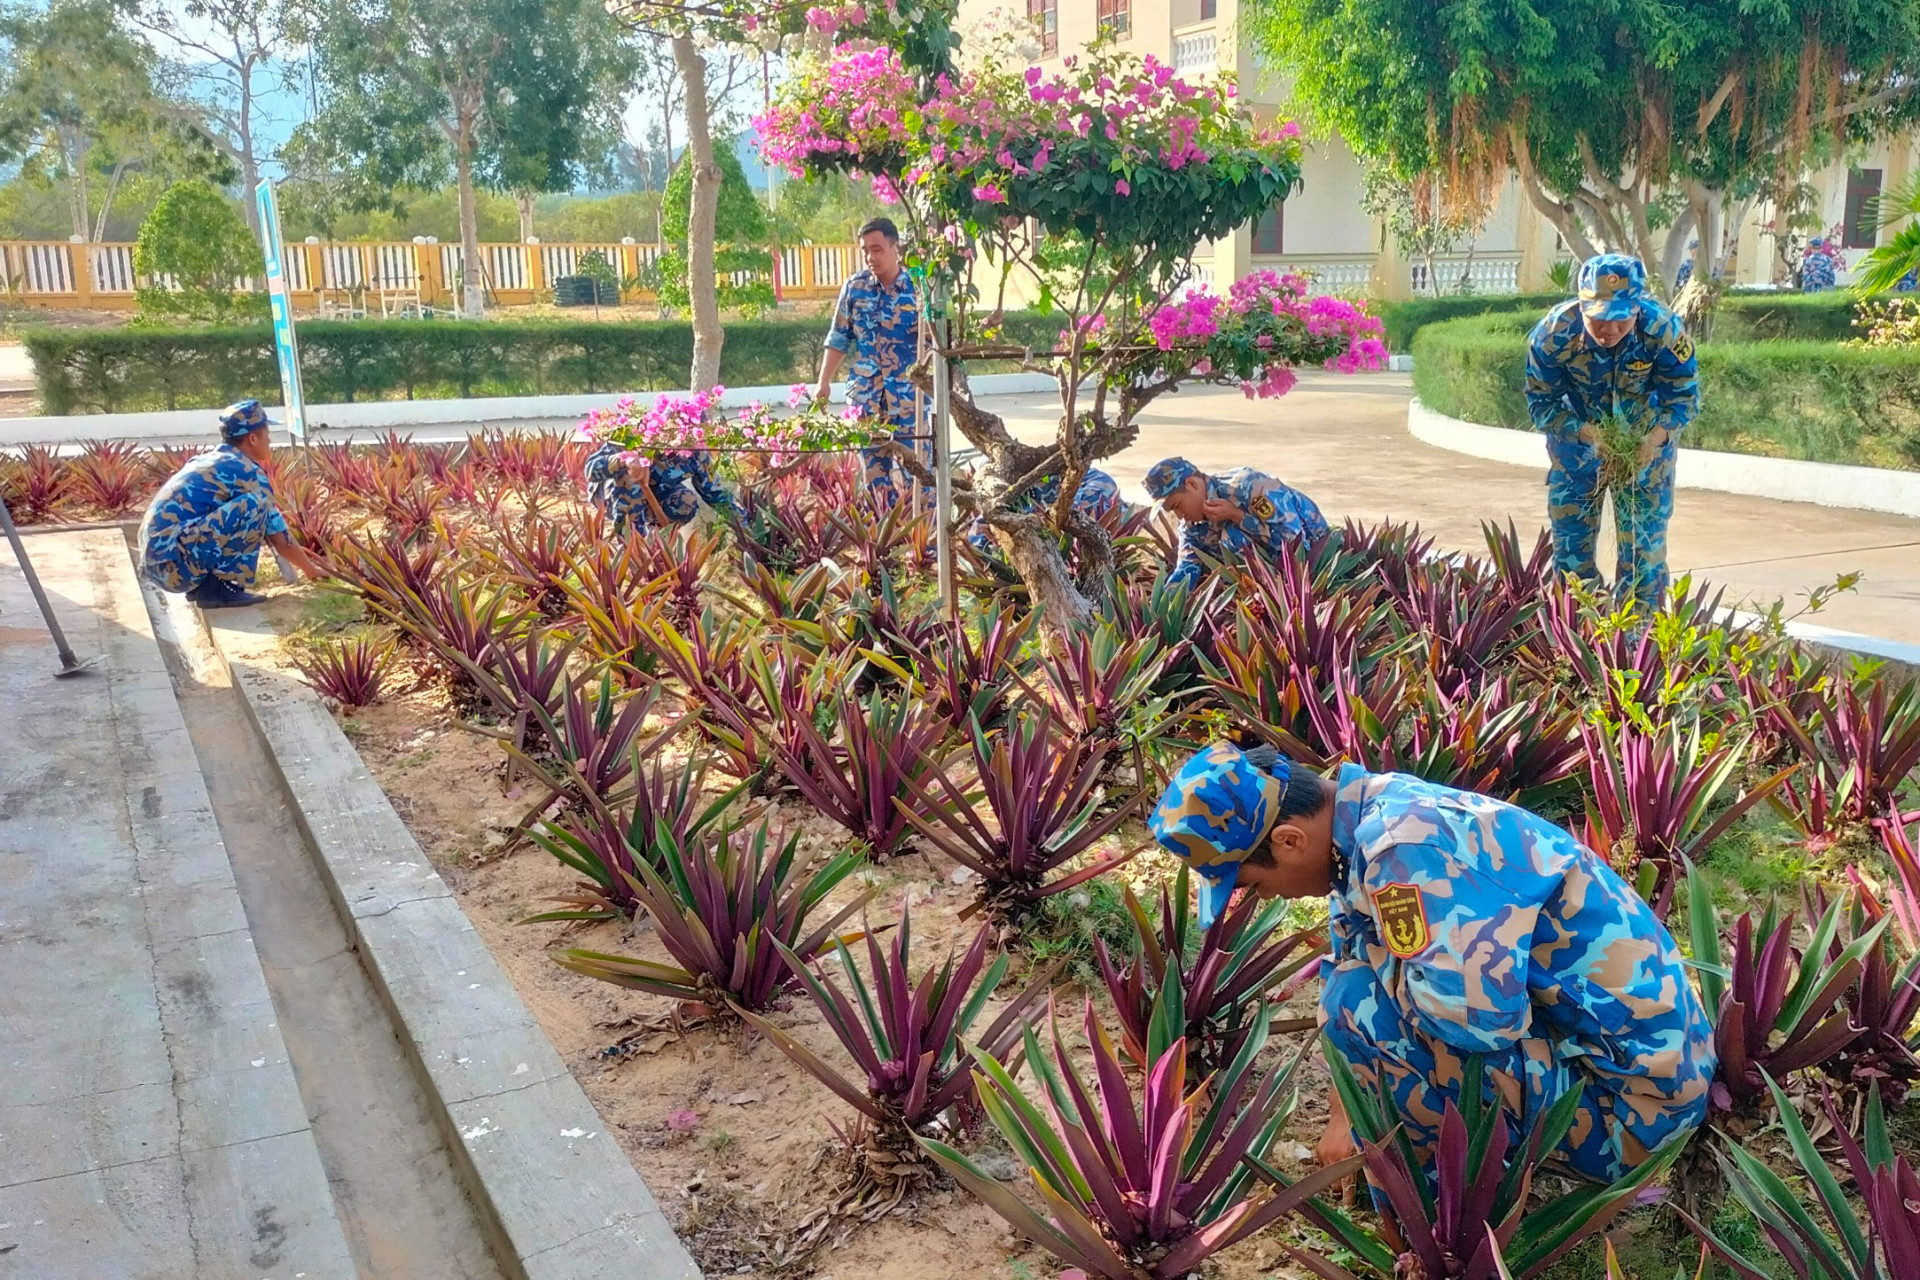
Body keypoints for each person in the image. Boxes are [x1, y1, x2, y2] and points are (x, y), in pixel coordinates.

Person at [1148, 741, 1716, 1187]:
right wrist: (1348, 1111)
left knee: (1361, 1007)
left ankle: (1434, 1200)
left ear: (1291, 840)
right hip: (1608, 1058)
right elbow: (1354, 952)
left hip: (1635, 1113)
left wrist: (1370, 990)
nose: (1263, 898)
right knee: (1354, 990)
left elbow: (1473, 1021)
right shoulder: (1365, 823)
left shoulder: (1401, 848)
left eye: (1253, 881)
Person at [1525, 254, 1698, 612]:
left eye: (1621, 320)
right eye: (1599, 320)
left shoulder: (1662, 331)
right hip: (1577, 454)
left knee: (1644, 559)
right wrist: (1583, 432)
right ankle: (1579, 635)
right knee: (1571, 557)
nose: (1610, 331)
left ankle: (1637, 643)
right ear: (1582, 305)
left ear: (1637, 309)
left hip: (1644, 455)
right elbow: (1541, 403)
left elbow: (1683, 398)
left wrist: (1656, 438)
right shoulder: (1553, 335)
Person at [138, 399, 325, 608]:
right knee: (254, 505)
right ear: (253, 438)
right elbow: (279, 536)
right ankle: (218, 589)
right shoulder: (246, 471)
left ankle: (204, 586)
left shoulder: (210, 460)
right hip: (174, 568)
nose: (270, 440)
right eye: (267, 433)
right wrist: (311, 570)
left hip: (161, 564)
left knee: (242, 507)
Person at [815, 217, 925, 504]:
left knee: (921, 481)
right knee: (875, 483)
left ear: (894, 247)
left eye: (877, 249)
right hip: (867, 399)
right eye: (865, 250)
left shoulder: (919, 285)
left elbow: (937, 341)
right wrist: (823, 382)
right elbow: (839, 336)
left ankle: (924, 546)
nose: (870, 257)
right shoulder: (856, 287)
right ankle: (884, 546)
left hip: (909, 399)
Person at [1143, 457, 1329, 588]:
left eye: (1177, 505)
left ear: (1192, 484)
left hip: (1314, 553)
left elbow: (1294, 540)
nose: (1180, 515)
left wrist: (1238, 516)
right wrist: (1167, 605)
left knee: (1231, 536)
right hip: (1268, 580)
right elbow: (1187, 566)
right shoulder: (1192, 525)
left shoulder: (1249, 486)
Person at [581, 441, 734, 536]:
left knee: (686, 501)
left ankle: (659, 540)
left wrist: (744, 528)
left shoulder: (696, 453)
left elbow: (714, 493)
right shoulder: (635, 436)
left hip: (655, 496)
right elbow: (590, 470)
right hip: (609, 497)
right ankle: (631, 544)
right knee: (631, 479)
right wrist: (623, 460)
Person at [964, 466, 1122, 557]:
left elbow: (1105, 486)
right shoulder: (1000, 499)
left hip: (1089, 547)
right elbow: (976, 541)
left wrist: (1051, 517)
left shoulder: (1063, 473)